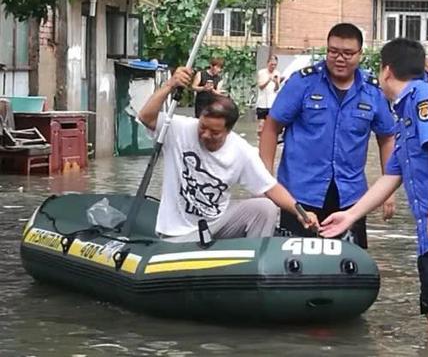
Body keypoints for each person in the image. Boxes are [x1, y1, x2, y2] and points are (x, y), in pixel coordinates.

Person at [320, 38, 428, 345]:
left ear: (386, 71)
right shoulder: (403, 114)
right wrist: (349, 216)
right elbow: (391, 176)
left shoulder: (425, 98)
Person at [138, 67, 318, 243]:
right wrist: (170, 84)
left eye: (215, 133)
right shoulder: (180, 129)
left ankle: (251, 263)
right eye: (203, 127)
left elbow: (270, 187)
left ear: (228, 130)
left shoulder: (241, 151)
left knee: (265, 207)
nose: (206, 135)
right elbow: (146, 117)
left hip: (216, 226)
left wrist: (301, 212)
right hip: (177, 233)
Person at [259, 23, 396, 248]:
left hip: (350, 197)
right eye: (333, 51)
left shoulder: (372, 91)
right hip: (299, 194)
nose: (339, 59)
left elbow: (387, 137)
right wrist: (266, 179)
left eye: (348, 53)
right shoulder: (302, 83)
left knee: (350, 267)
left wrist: (387, 191)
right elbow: (271, 128)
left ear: (360, 54)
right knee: (295, 267)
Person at [256, 55, 281, 137]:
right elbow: (261, 86)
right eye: (272, 64)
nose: (273, 66)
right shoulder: (262, 72)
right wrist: (269, 79)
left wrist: (276, 82)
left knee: (271, 124)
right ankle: (259, 139)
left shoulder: (277, 73)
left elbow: (276, 89)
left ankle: (268, 138)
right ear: (268, 63)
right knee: (261, 124)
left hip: (272, 102)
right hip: (262, 102)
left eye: (275, 64)